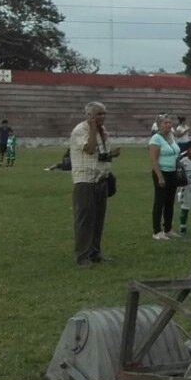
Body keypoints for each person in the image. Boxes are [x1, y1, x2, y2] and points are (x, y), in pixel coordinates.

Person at [70, 102, 119, 267]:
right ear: (89, 115)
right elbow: (90, 149)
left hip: (101, 178)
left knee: (98, 219)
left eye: (104, 113)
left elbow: (100, 155)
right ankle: (83, 256)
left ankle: (95, 252)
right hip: (85, 180)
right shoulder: (80, 130)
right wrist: (92, 129)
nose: (102, 117)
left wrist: (111, 154)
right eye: (99, 114)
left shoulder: (103, 131)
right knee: (85, 220)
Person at [149, 114, 181, 240]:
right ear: (159, 124)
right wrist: (160, 176)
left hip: (173, 172)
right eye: (165, 123)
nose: (168, 125)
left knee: (170, 202)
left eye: (169, 122)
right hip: (162, 172)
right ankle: (157, 231)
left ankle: (168, 228)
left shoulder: (171, 136)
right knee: (160, 201)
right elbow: (153, 159)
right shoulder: (156, 139)